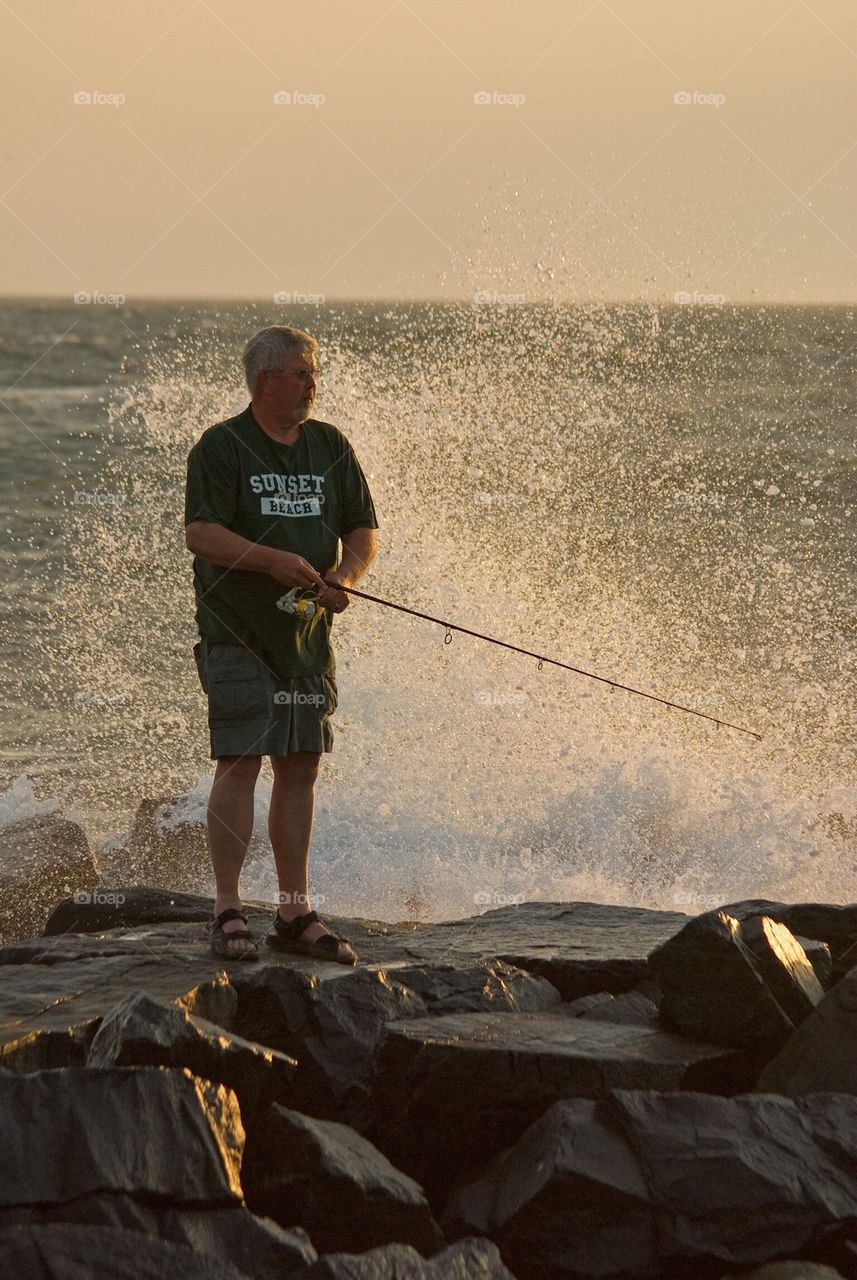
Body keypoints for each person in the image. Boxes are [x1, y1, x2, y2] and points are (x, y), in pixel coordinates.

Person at [184, 325, 378, 963]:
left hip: (306, 637)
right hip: (237, 633)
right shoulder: (223, 446)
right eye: (300, 372)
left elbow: (361, 529)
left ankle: (293, 910)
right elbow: (202, 534)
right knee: (240, 760)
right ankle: (228, 908)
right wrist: (269, 561)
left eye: (313, 371)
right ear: (265, 380)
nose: (311, 383)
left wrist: (344, 578)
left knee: (300, 767)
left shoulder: (330, 446)